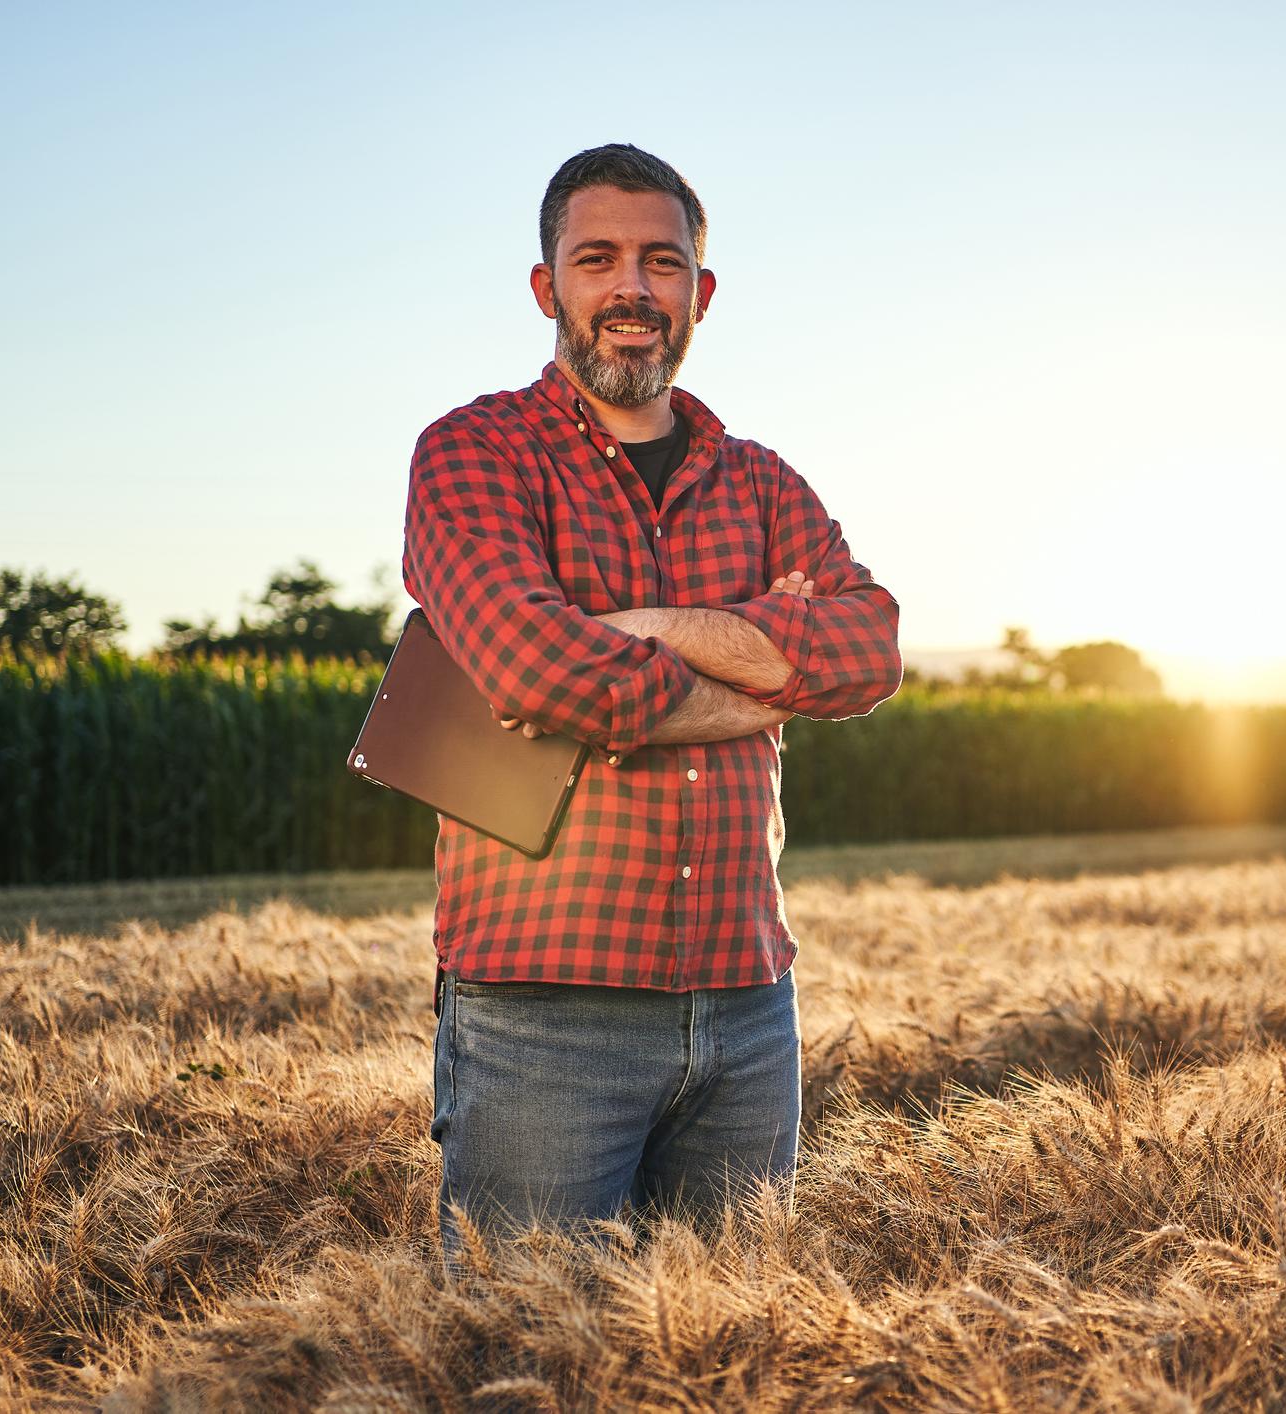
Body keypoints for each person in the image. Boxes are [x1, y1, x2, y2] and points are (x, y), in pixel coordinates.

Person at [402, 143, 902, 1266]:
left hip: (747, 1006)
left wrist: (648, 627)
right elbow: (535, 671)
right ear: (548, 289)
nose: (631, 287)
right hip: (544, 1014)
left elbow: (869, 649)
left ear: (699, 294)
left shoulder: (763, 479)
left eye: (660, 263)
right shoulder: (471, 453)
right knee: (522, 1358)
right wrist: (764, 674)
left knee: (729, 1357)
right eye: (598, 259)